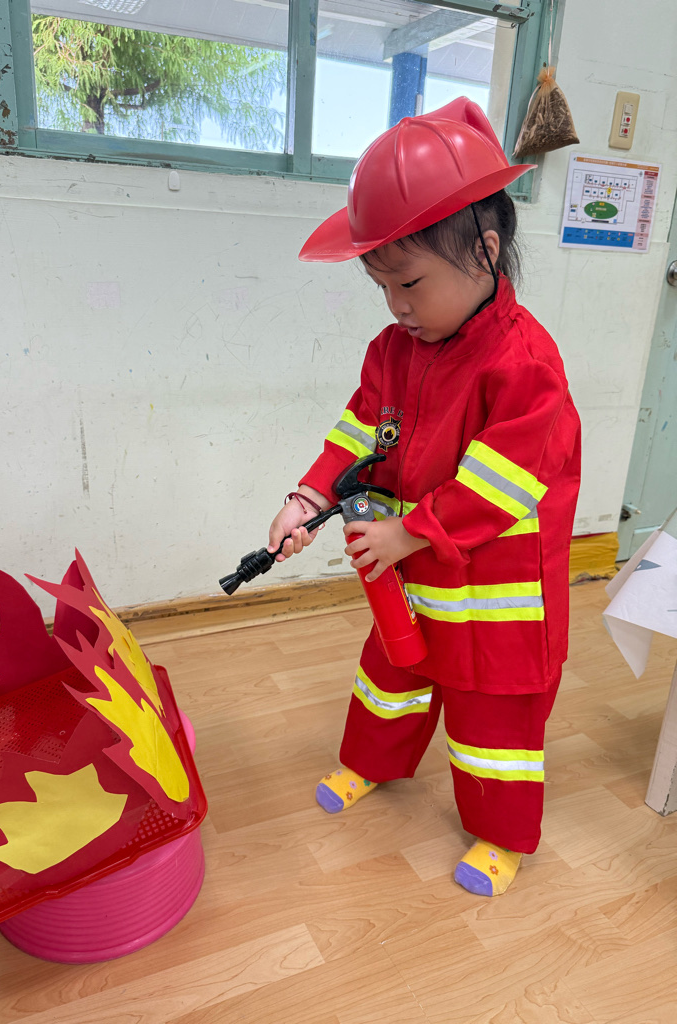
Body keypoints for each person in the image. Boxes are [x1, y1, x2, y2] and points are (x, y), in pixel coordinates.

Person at [266, 98, 581, 897]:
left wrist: (411, 532)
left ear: (485, 249)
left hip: (496, 589)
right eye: (382, 286)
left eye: (409, 282)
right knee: (391, 675)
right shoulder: (393, 350)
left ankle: (501, 834)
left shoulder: (526, 364)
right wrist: (308, 497)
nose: (397, 306)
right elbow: (359, 433)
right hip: (412, 569)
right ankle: (372, 763)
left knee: (492, 720)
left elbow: (502, 483)